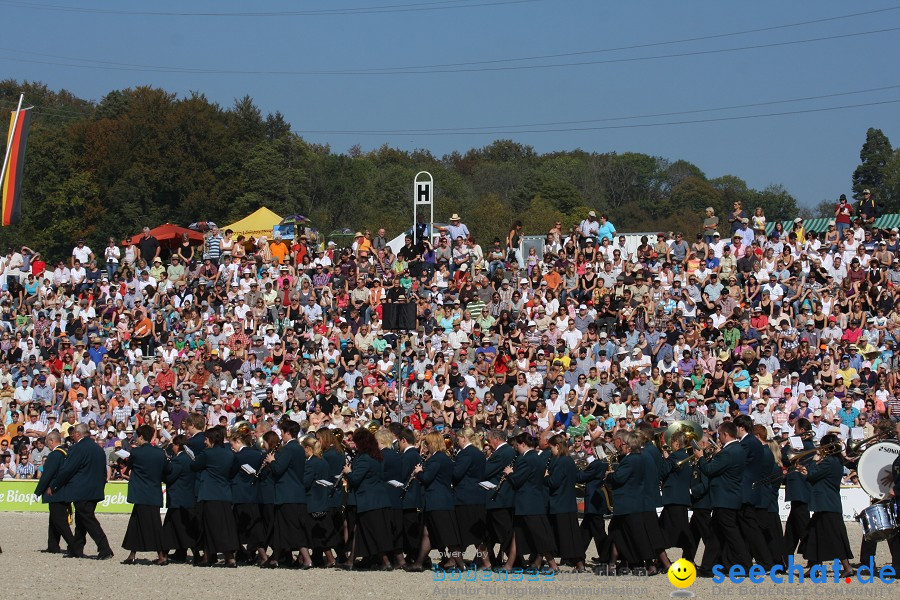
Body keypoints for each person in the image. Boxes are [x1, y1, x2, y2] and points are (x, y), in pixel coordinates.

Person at [47, 423, 114, 560]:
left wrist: (55, 485)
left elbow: (67, 470)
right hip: (95, 490)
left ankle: (105, 548)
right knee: (82, 519)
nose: (73, 437)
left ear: (78, 434)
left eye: (74, 434)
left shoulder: (78, 448)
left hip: (81, 490)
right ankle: (76, 548)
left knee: (88, 519)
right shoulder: (99, 449)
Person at [405, 431, 464, 572]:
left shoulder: (437, 459)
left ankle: (461, 565)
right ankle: (419, 563)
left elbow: (427, 478)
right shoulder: (444, 457)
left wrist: (419, 472)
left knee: (449, 536)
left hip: (437, 501)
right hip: (440, 500)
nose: (425, 446)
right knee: (428, 533)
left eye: (427, 443)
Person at [796, 433, 854, 576]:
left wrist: (813, 461)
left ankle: (848, 567)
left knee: (834, 536)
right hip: (827, 503)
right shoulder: (836, 460)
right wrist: (807, 470)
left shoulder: (828, 461)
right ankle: (815, 567)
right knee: (814, 534)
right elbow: (814, 475)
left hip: (827, 504)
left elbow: (813, 475)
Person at [694, 422, 748, 572]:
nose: (718, 438)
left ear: (724, 434)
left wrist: (701, 457)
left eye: (719, 435)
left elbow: (709, 470)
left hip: (725, 499)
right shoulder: (736, 449)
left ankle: (745, 565)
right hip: (727, 497)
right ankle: (708, 567)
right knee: (715, 535)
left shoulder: (729, 451)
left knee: (732, 535)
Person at [503, 431, 558, 573]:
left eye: (517, 445)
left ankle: (553, 566)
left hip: (529, 503)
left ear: (523, 444)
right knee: (517, 533)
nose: (516, 448)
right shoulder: (538, 457)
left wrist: (509, 473)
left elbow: (517, 480)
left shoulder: (526, 459)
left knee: (539, 535)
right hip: (533, 501)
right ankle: (509, 565)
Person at [338, 427, 392, 570]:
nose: (353, 445)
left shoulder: (364, 459)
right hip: (378, 499)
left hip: (368, 500)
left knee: (372, 532)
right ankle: (351, 560)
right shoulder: (376, 456)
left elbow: (355, 479)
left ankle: (385, 562)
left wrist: (348, 472)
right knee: (361, 530)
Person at [262, 419, 311, 569]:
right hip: (294, 493)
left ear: (287, 433)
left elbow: (278, 469)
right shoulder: (299, 448)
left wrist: (271, 460)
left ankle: (307, 559)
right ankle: (274, 558)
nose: (281, 436)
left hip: (288, 494)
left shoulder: (289, 449)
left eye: (282, 432)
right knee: (281, 527)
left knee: (292, 527)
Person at [190, 425, 238, 568]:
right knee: (225, 526)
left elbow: (194, 466)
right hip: (224, 493)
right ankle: (228, 557)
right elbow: (233, 471)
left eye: (206, 439)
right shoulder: (230, 454)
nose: (205, 442)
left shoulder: (207, 454)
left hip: (209, 493)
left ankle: (209, 557)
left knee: (209, 526)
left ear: (211, 439)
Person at [121, 424, 168, 565]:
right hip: (153, 492)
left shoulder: (136, 453)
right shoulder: (159, 453)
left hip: (140, 492)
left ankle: (160, 555)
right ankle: (133, 554)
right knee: (149, 523)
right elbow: (165, 471)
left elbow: (129, 467)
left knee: (142, 524)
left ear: (141, 437)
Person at [544, 433, 584, 572]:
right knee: (571, 534)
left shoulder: (561, 461)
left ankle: (577, 563)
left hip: (559, 502)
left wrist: (546, 477)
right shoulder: (568, 460)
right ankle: (579, 563)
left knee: (564, 535)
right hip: (567, 502)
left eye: (552, 448)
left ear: (558, 446)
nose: (551, 451)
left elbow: (554, 482)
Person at [32, 431, 75, 554]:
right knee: (54, 520)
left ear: (52, 441)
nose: (47, 446)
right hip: (63, 491)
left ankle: (73, 545)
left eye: (47, 443)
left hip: (55, 492)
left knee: (60, 521)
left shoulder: (55, 455)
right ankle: (53, 545)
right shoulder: (66, 453)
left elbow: (47, 475)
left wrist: (38, 491)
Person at [162, 434, 200, 564]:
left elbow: (170, 477)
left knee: (174, 528)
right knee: (179, 527)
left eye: (173, 445)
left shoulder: (179, 460)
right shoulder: (189, 457)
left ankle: (165, 555)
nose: (172, 447)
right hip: (187, 497)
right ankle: (181, 553)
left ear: (178, 446)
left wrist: (165, 466)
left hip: (178, 499)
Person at [452, 427, 486, 562]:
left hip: (465, 496)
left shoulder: (465, 454)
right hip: (477, 494)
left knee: (461, 530)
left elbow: (456, 474)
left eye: (458, 439)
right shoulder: (479, 453)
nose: (457, 441)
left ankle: (454, 560)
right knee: (477, 533)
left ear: (464, 438)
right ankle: (486, 561)